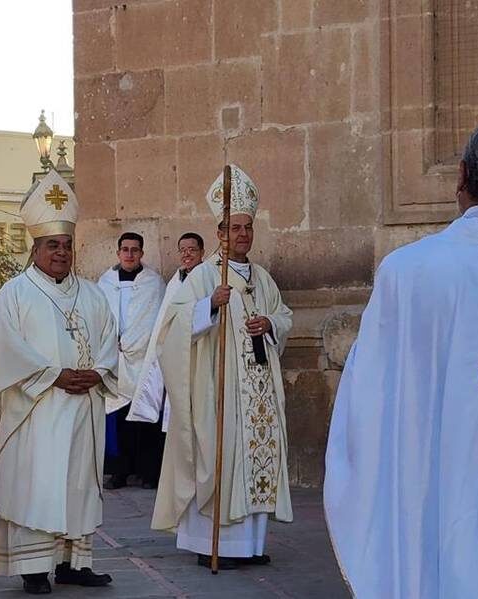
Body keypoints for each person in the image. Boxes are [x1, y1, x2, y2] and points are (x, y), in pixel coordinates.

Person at [325, 119, 478, 598]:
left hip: (444, 501)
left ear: (461, 176)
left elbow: (372, 397)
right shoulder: (409, 270)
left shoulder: (411, 270)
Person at [0, 169, 119, 595]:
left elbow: (110, 339)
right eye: (52, 245)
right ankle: (34, 566)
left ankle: (74, 562)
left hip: (83, 407)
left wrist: (99, 371)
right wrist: (52, 375)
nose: (61, 252)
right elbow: (1, 349)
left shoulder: (92, 294)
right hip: (34, 411)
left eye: (67, 245)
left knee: (77, 483)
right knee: (38, 483)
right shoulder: (15, 294)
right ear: (35, 248)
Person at [151, 165, 293, 570]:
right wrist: (209, 305)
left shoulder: (263, 278)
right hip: (219, 389)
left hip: (259, 390)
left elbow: (283, 315)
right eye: (234, 228)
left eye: (248, 227)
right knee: (221, 459)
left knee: (255, 459)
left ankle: (248, 545)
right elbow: (171, 329)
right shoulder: (202, 275)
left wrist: (269, 324)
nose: (243, 235)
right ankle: (212, 544)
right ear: (220, 233)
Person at [96, 232, 165, 489]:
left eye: (134, 250)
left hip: (144, 358)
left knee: (145, 415)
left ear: (142, 254)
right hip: (115, 357)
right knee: (117, 417)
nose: (129, 254)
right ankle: (119, 472)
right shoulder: (105, 283)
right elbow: (100, 316)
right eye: (124, 249)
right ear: (117, 253)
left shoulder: (154, 284)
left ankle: (148, 472)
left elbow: (157, 319)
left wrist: (138, 343)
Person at [128, 232, 206, 433]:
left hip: (200, 355)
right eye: (183, 250)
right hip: (175, 355)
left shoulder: (208, 277)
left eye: (192, 249)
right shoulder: (175, 280)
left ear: (202, 252)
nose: (187, 254)